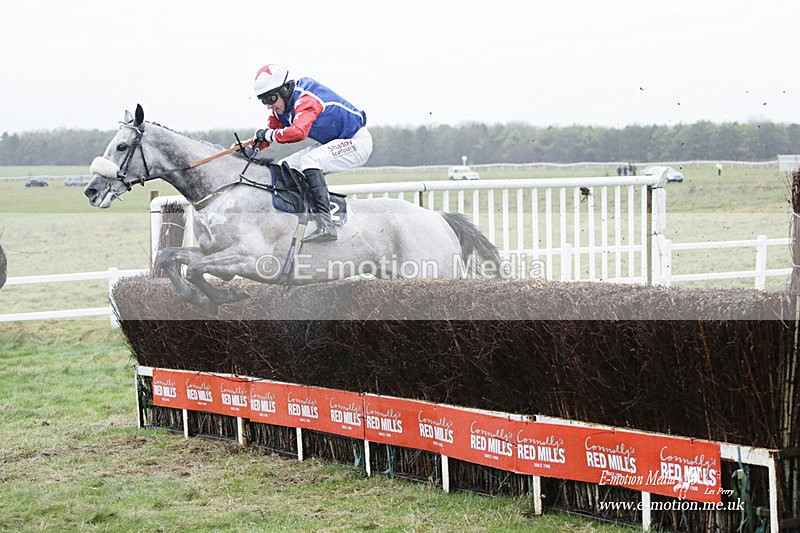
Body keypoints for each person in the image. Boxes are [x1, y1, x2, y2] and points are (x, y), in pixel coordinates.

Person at [250, 64, 372, 242]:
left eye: (271, 98)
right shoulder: (281, 109)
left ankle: (327, 224)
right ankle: (304, 216)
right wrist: (247, 148)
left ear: (285, 89)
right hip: (335, 142)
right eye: (264, 101)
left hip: (356, 142)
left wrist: (267, 135)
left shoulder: (306, 99)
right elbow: (268, 136)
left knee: (310, 161)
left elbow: (298, 132)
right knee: (284, 167)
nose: (270, 106)